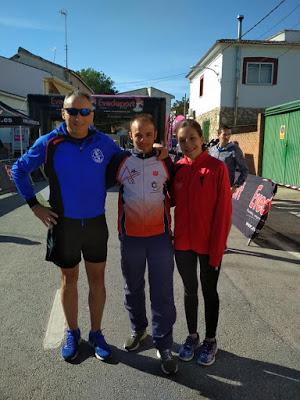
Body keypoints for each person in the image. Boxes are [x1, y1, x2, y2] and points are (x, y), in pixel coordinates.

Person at [11, 91, 122, 362]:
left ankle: (96, 333)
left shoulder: (104, 143)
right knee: (68, 280)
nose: (78, 117)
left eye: (84, 112)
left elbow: (130, 164)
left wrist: (159, 155)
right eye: (72, 111)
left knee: (97, 280)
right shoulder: (50, 142)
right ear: (63, 113)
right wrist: (35, 206)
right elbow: (18, 170)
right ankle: (73, 331)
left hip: (95, 223)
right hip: (64, 225)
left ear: (92, 115)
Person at [106, 114, 177, 375]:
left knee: (162, 292)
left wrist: (167, 158)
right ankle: (139, 329)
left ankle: (164, 343)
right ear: (131, 136)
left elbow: (178, 196)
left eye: (148, 134)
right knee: (132, 287)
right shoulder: (122, 162)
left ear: (155, 135)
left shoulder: (166, 163)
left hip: (159, 238)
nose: (143, 139)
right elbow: (97, 181)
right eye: (138, 135)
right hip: (131, 238)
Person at [172, 119, 232, 366]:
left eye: (192, 138)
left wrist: (218, 249)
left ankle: (210, 339)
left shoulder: (217, 168)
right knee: (189, 291)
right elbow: (165, 201)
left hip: (209, 245)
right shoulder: (177, 168)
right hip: (183, 243)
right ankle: (192, 335)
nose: (187, 144)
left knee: (209, 291)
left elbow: (224, 214)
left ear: (201, 138)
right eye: (182, 140)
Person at [209, 125, 248, 193]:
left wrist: (236, 185)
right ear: (218, 134)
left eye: (229, 134)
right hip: (210, 188)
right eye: (224, 134)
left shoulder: (235, 150)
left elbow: (244, 170)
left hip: (225, 189)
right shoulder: (212, 150)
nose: (227, 137)